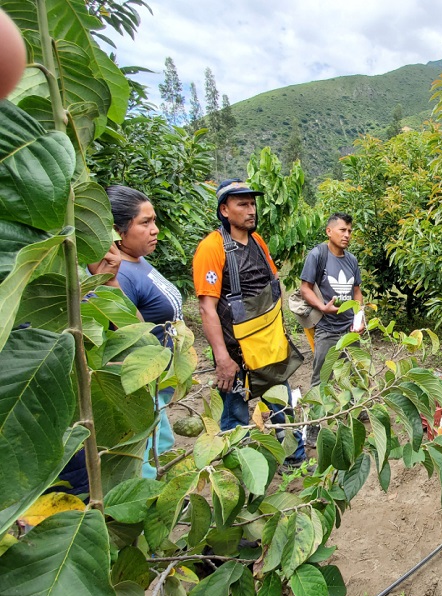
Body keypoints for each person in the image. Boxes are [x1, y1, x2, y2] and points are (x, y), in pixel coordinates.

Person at [193, 178, 306, 466]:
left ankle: (294, 460)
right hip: (235, 354)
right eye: (242, 204)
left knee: (281, 406)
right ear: (224, 210)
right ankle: (239, 472)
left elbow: (273, 284)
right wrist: (222, 359)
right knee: (235, 418)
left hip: (268, 349)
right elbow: (207, 309)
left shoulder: (257, 242)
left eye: (252, 203)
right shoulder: (212, 248)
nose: (251, 210)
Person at [89, 185, 182, 478]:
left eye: (153, 221)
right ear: (118, 231)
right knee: (145, 461)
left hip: (157, 382)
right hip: (142, 388)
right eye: (145, 223)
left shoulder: (138, 262)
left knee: (159, 452)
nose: (154, 230)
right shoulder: (120, 275)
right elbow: (126, 334)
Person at [299, 213, 364, 447]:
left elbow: (356, 291)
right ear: (329, 231)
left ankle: (356, 410)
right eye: (342, 230)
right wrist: (321, 307)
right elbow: (305, 288)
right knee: (321, 378)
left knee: (355, 371)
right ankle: (314, 427)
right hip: (327, 328)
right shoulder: (318, 255)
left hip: (348, 328)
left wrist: (359, 316)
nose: (347, 235)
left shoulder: (352, 260)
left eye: (349, 231)